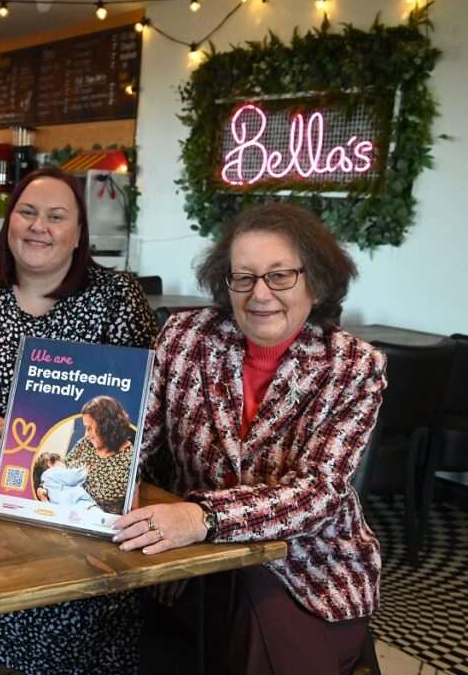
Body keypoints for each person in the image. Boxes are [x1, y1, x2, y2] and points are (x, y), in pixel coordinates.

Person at [113, 202, 384, 675]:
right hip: (199, 567)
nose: (260, 294)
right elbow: (135, 435)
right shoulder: (185, 336)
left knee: (258, 621)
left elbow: (319, 493)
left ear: (316, 282)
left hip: (311, 571)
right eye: (244, 277)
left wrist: (204, 517)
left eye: (279, 276)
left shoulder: (354, 366)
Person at [0, 167, 158, 674]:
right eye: (27, 212)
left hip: (78, 507)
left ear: (78, 235)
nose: (38, 226)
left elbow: (141, 408)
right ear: (9, 223)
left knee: (73, 607)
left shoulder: (118, 298)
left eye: (56, 217)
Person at [65, 395, 136, 514]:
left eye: (89, 429)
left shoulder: (130, 459)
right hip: (70, 509)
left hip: (101, 523)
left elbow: (133, 509)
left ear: (107, 428)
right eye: (85, 428)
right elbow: (62, 468)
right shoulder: (86, 442)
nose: (86, 435)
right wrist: (44, 487)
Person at [34, 452, 99, 509]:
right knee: (96, 513)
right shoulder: (54, 472)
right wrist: (83, 472)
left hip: (63, 508)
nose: (65, 465)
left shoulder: (45, 482)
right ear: (50, 464)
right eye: (61, 462)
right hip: (79, 504)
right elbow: (72, 476)